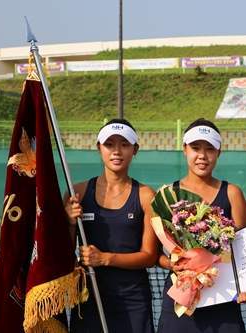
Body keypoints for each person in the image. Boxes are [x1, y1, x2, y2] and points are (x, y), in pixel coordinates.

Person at [156, 118, 246, 333]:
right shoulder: (166, 195)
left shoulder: (232, 193)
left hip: (224, 300)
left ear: (219, 153)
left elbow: (242, 251)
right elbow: (155, 256)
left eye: (210, 149)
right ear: (184, 150)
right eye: (195, 148)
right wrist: (176, 265)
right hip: (181, 300)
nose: (202, 155)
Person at [65, 119, 157, 333]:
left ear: (135, 150)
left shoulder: (146, 196)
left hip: (133, 300)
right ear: (99, 148)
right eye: (109, 144)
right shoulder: (76, 193)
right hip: (89, 298)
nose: (117, 151)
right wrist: (69, 223)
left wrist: (105, 258)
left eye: (124, 144)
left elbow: (149, 256)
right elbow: (63, 255)